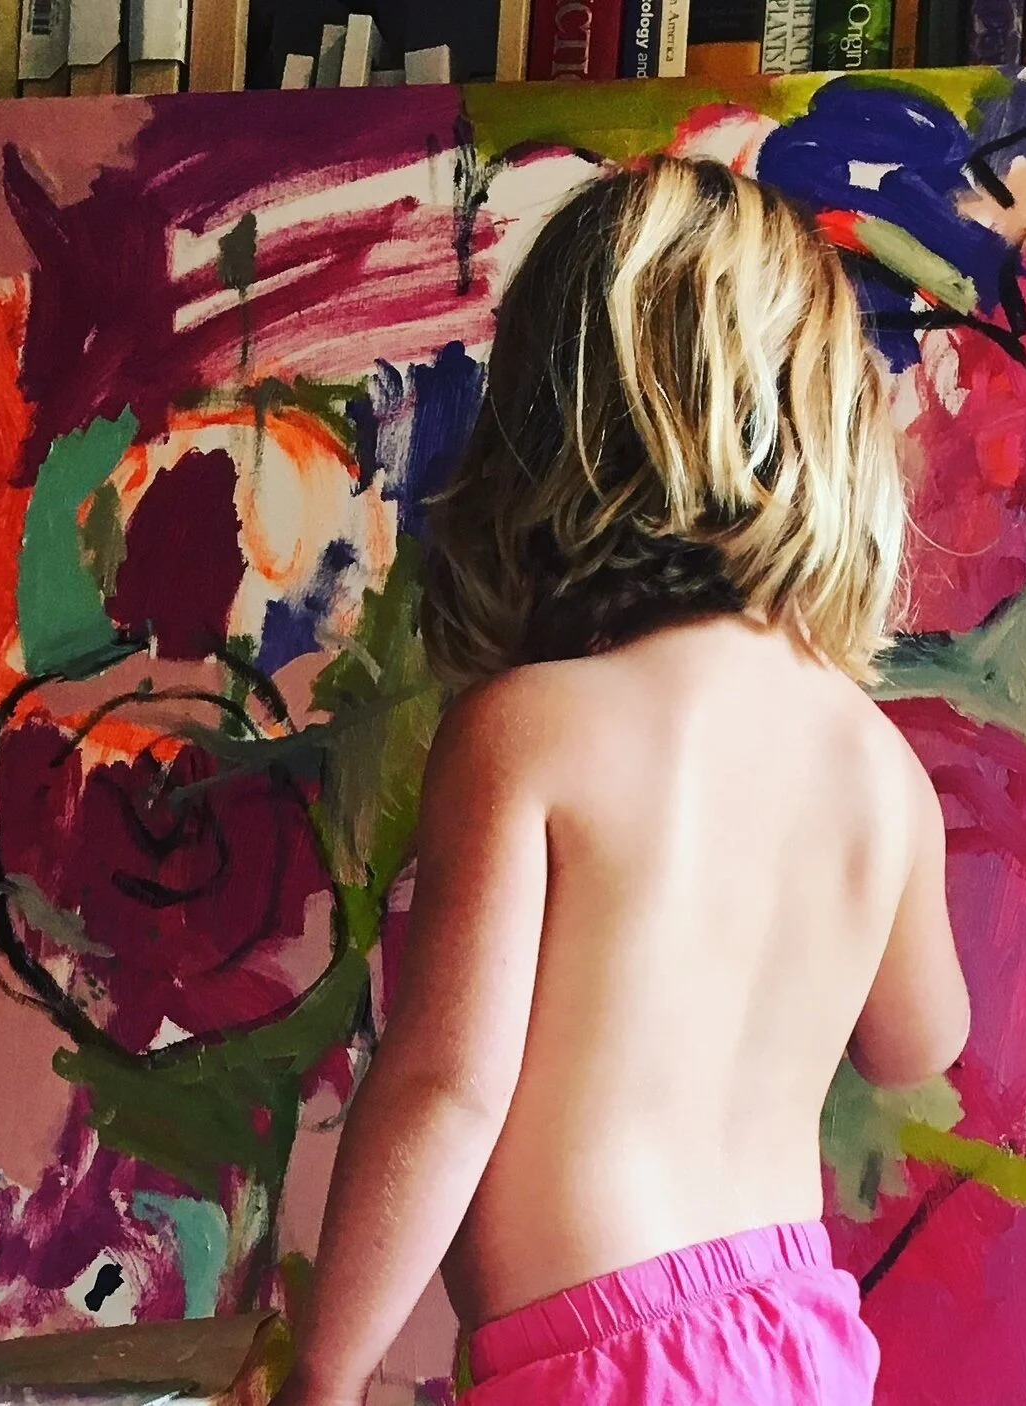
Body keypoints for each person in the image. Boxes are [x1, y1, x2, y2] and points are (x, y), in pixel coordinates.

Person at [275, 157, 969, 1406]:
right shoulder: (878, 765)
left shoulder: (528, 732)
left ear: (553, 434)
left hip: (610, 1365)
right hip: (805, 1346)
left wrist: (322, 1374)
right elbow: (920, 1041)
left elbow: (445, 1087)